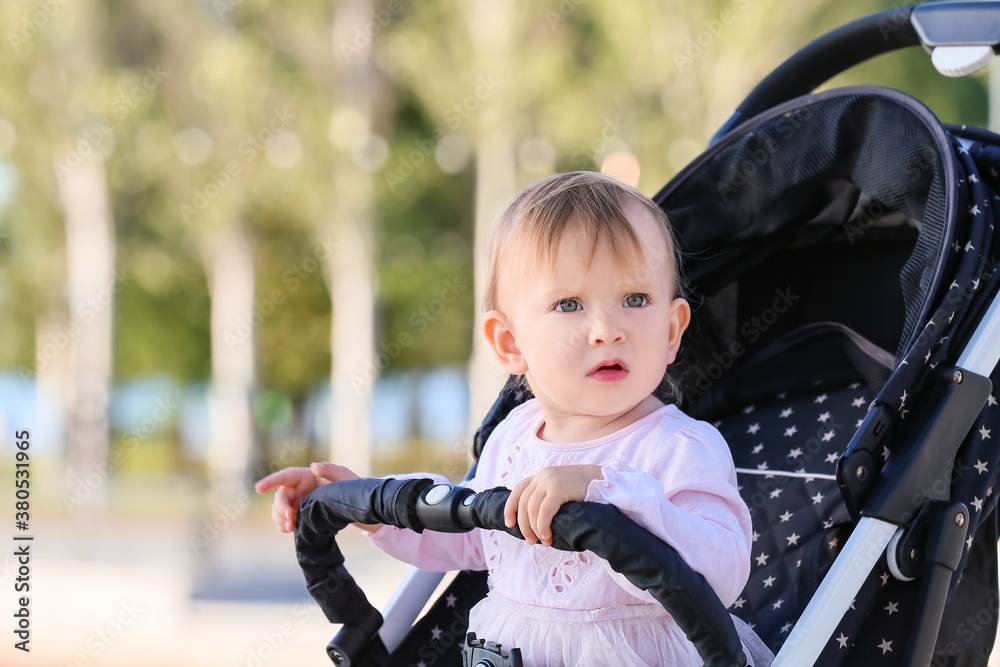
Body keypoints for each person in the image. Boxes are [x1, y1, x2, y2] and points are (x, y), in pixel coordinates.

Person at [256, 171, 755, 666]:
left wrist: (607, 491)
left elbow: (723, 573)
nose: (607, 330)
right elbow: (473, 536)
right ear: (510, 343)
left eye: (635, 300)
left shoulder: (680, 447)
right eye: (569, 304)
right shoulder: (515, 436)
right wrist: (362, 502)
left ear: (672, 331)